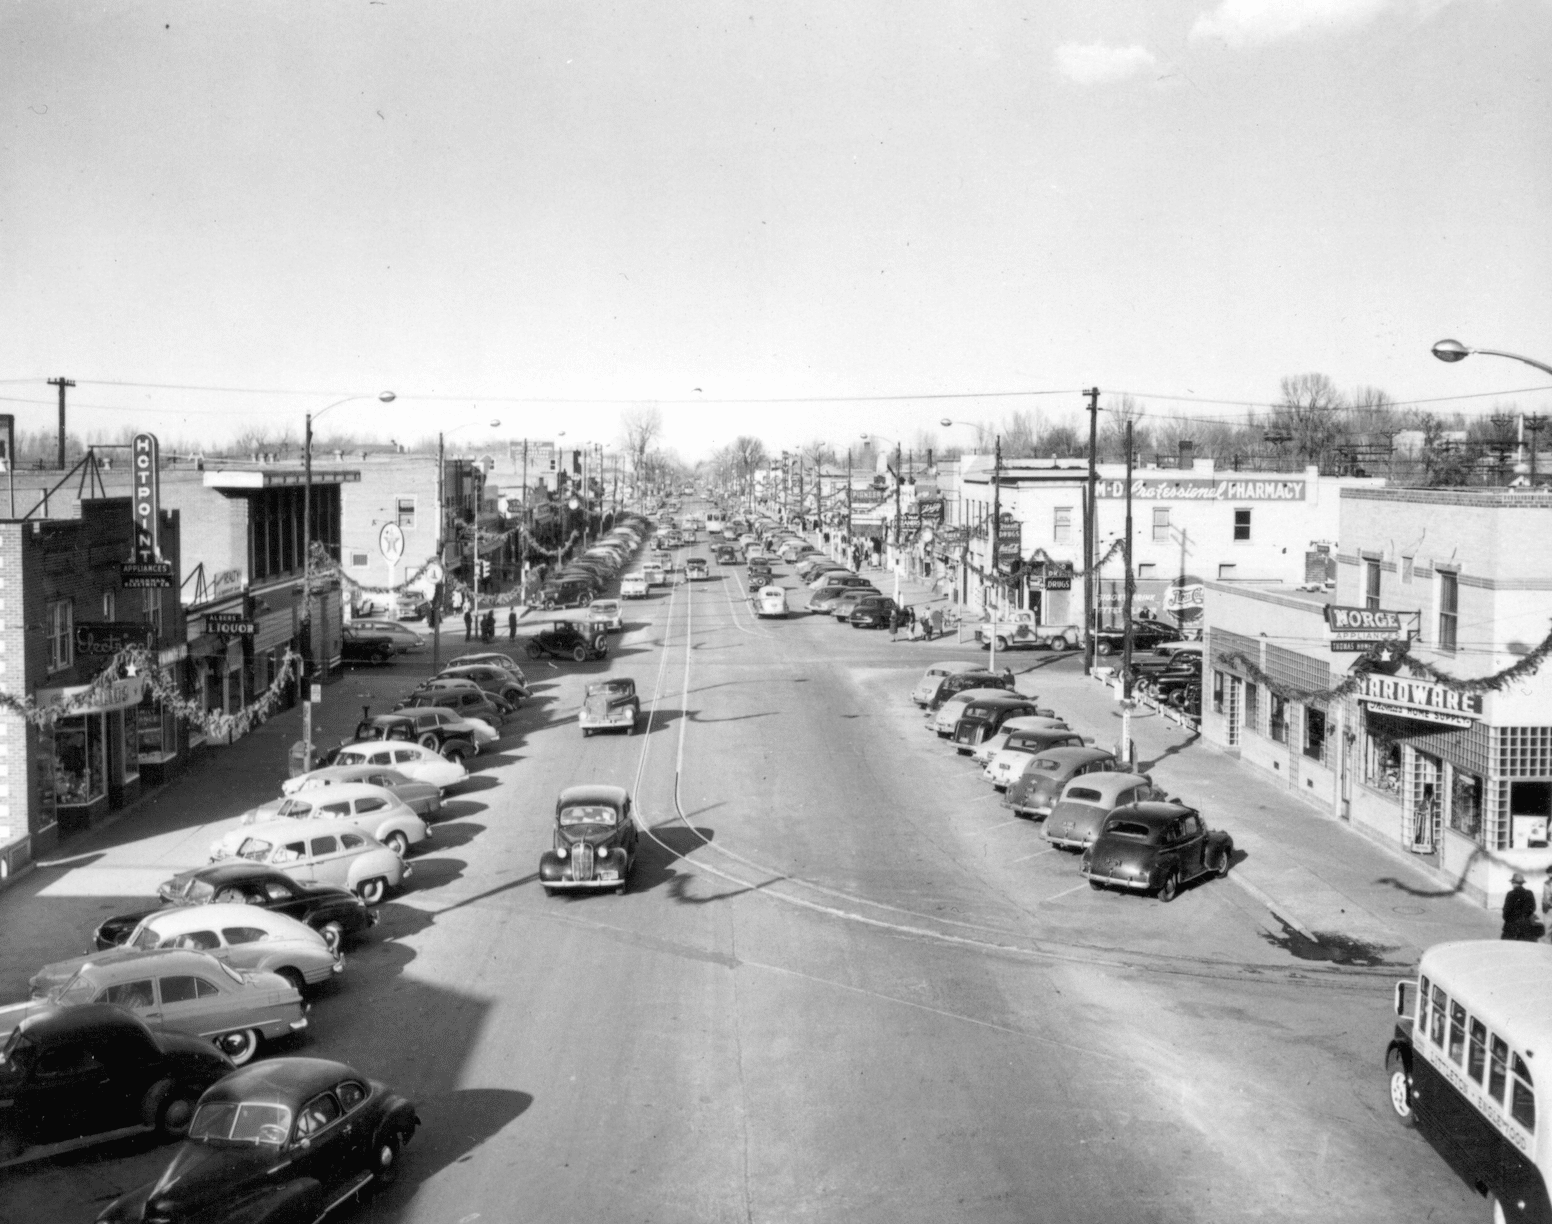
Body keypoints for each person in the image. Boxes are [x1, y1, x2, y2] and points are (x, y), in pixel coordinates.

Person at [1503, 872, 1541, 941]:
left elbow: (1506, 912)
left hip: (1511, 927)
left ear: (1513, 883)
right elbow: (1533, 908)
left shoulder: (1510, 894)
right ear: (1522, 883)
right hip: (1526, 927)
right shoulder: (1529, 893)